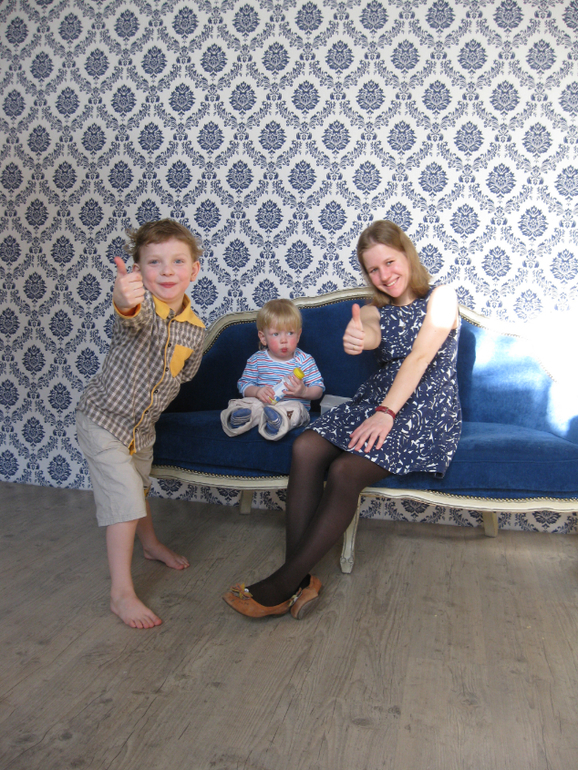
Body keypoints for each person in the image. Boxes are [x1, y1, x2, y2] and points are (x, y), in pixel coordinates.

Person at [223, 220, 462, 619]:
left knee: (345, 470)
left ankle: (281, 585)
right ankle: (299, 581)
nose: (384, 275)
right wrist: (360, 338)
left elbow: (421, 356)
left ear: (407, 255)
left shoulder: (442, 296)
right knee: (306, 446)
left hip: (424, 409)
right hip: (377, 401)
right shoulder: (371, 310)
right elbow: (368, 331)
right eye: (374, 269)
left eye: (390, 262)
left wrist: (387, 414)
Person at [76, 219, 205, 629]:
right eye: (154, 262)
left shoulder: (196, 330)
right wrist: (123, 297)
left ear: (194, 269)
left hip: (141, 430)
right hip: (102, 420)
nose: (166, 271)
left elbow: (184, 376)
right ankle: (121, 593)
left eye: (177, 261)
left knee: (140, 489)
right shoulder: (140, 308)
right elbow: (127, 313)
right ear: (138, 270)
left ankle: (150, 545)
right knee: (126, 497)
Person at [220, 299, 325, 441]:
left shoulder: (305, 361)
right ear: (263, 338)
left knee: (296, 410)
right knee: (250, 404)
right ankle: (239, 417)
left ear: (298, 335)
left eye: (290, 333)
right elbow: (244, 385)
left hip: (290, 407)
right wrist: (257, 391)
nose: (284, 340)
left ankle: (277, 422)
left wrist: (304, 392)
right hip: (263, 405)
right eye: (276, 334)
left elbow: (318, 389)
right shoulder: (257, 360)